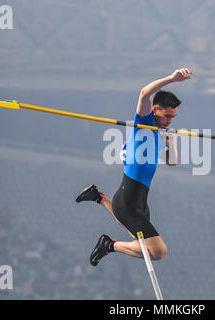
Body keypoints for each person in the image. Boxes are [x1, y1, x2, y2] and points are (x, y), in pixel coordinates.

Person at [76, 68, 192, 266]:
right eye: (167, 115)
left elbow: (172, 161)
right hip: (128, 201)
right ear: (155, 110)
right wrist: (172, 79)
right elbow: (144, 93)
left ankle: (98, 197)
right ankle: (108, 245)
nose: (170, 121)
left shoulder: (156, 135)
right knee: (158, 251)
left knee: (138, 238)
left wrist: (170, 142)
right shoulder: (144, 123)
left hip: (139, 203)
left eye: (173, 117)